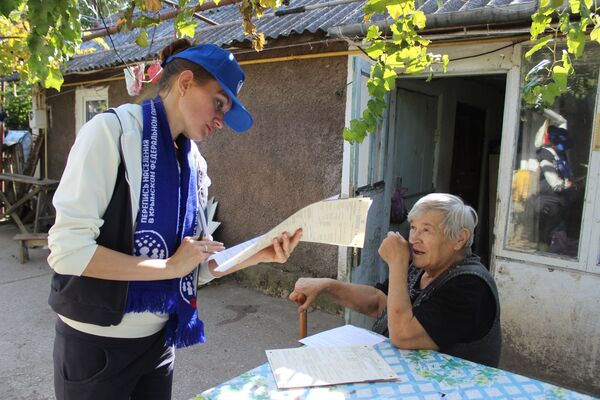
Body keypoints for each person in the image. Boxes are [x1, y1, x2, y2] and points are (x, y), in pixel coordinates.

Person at [47, 39, 302, 400]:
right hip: (96, 346)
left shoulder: (195, 164)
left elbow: (189, 268)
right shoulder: (110, 133)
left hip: (159, 344)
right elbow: (68, 252)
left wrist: (257, 255)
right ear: (184, 83)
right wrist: (168, 266)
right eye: (218, 102)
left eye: (226, 111)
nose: (221, 119)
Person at [289, 193, 501, 367]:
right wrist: (327, 285)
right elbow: (378, 301)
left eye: (426, 230)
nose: (414, 238)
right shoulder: (423, 267)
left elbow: (403, 335)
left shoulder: (471, 286)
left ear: (459, 238)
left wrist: (398, 264)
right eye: (414, 227)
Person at [535, 125, 575, 252]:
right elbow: (555, 183)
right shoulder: (546, 156)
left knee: (552, 235)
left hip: (557, 203)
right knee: (545, 236)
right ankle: (542, 258)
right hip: (548, 203)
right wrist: (566, 184)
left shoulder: (557, 155)